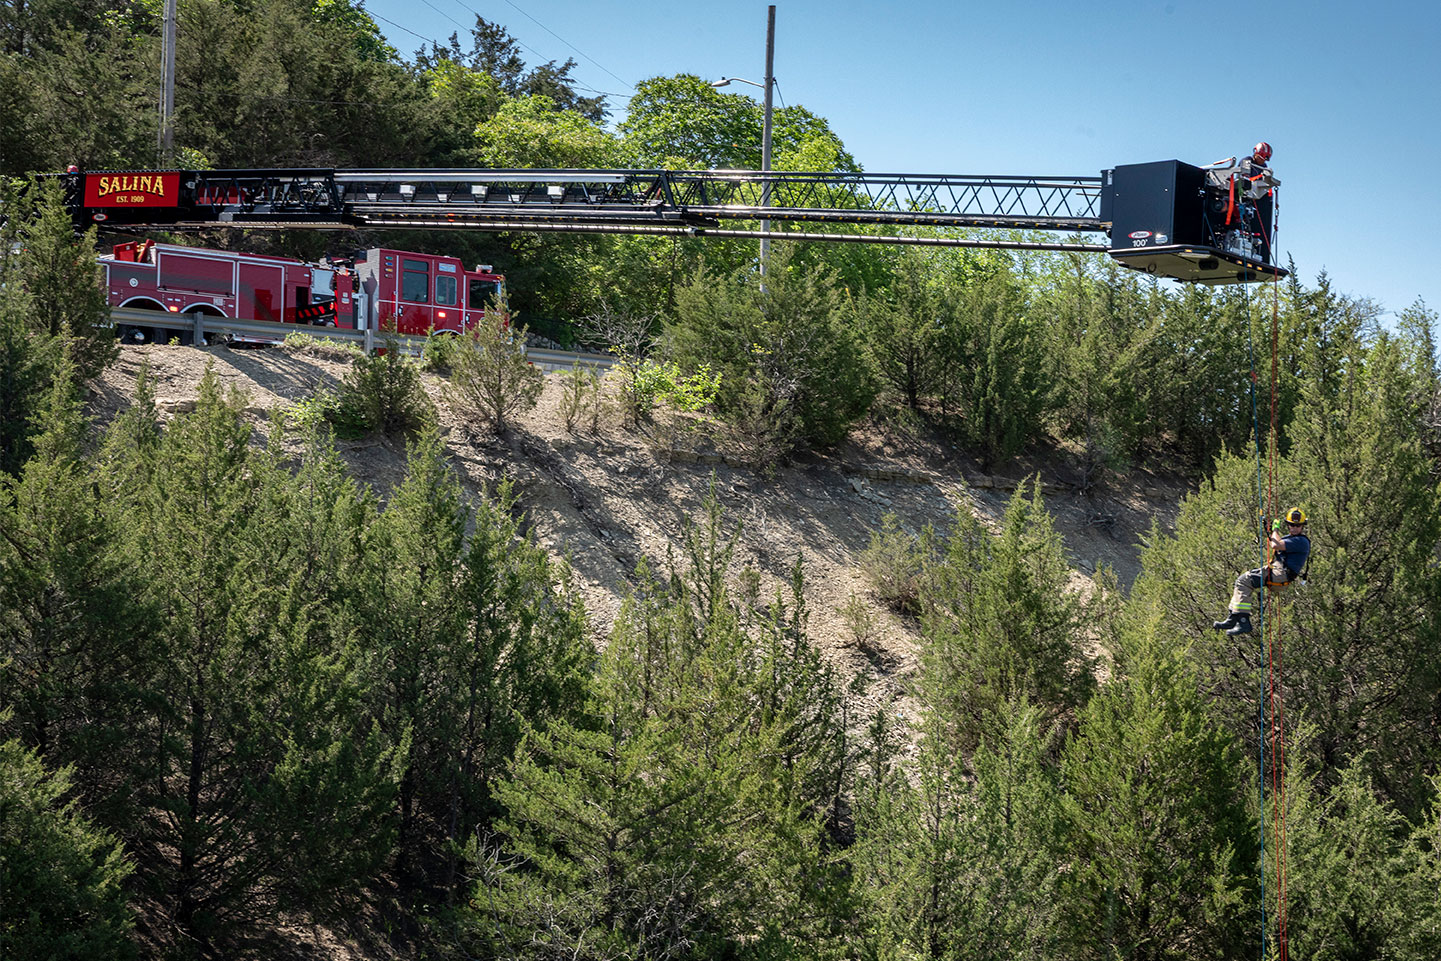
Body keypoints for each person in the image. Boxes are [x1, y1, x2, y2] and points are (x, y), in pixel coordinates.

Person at [1213, 508, 1311, 636]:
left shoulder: (1301, 541)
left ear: (1302, 526)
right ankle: (1233, 617)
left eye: (1298, 525)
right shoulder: (1291, 538)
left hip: (1281, 574)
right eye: (1291, 524)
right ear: (1287, 524)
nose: (1294, 528)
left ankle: (1243, 621)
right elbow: (1275, 542)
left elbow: (1275, 545)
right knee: (1241, 581)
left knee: (1244, 581)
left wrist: (1275, 529)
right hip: (1278, 571)